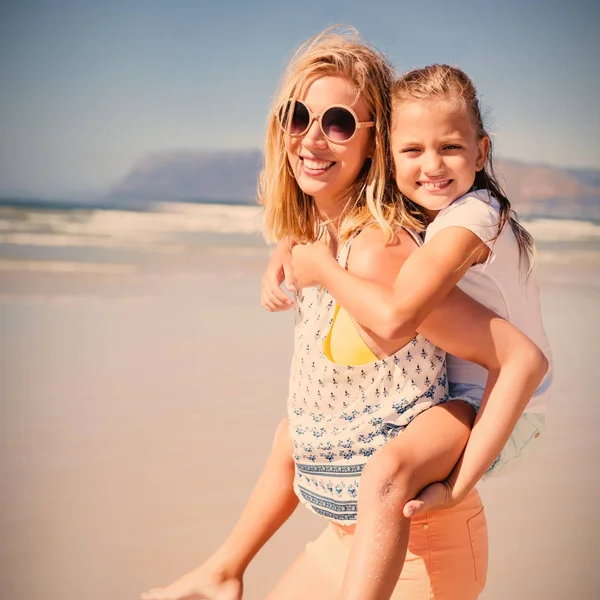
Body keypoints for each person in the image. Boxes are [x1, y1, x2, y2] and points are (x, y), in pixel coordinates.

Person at [142, 29, 547, 600]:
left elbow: (511, 355)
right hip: (345, 539)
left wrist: (457, 486)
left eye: (337, 123)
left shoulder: (381, 250)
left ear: (374, 144)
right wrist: (294, 249)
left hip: (418, 547)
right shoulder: (323, 239)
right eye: (297, 116)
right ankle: (225, 568)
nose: (312, 138)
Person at [264, 62, 553, 597]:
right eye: (413, 151)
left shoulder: (469, 221)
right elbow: (325, 224)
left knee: (386, 472)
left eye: (450, 148)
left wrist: (459, 483)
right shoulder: (435, 212)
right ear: (389, 155)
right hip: (473, 397)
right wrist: (289, 248)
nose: (432, 166)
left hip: (503, 406)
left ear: (482, 152)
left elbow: (399, 315)